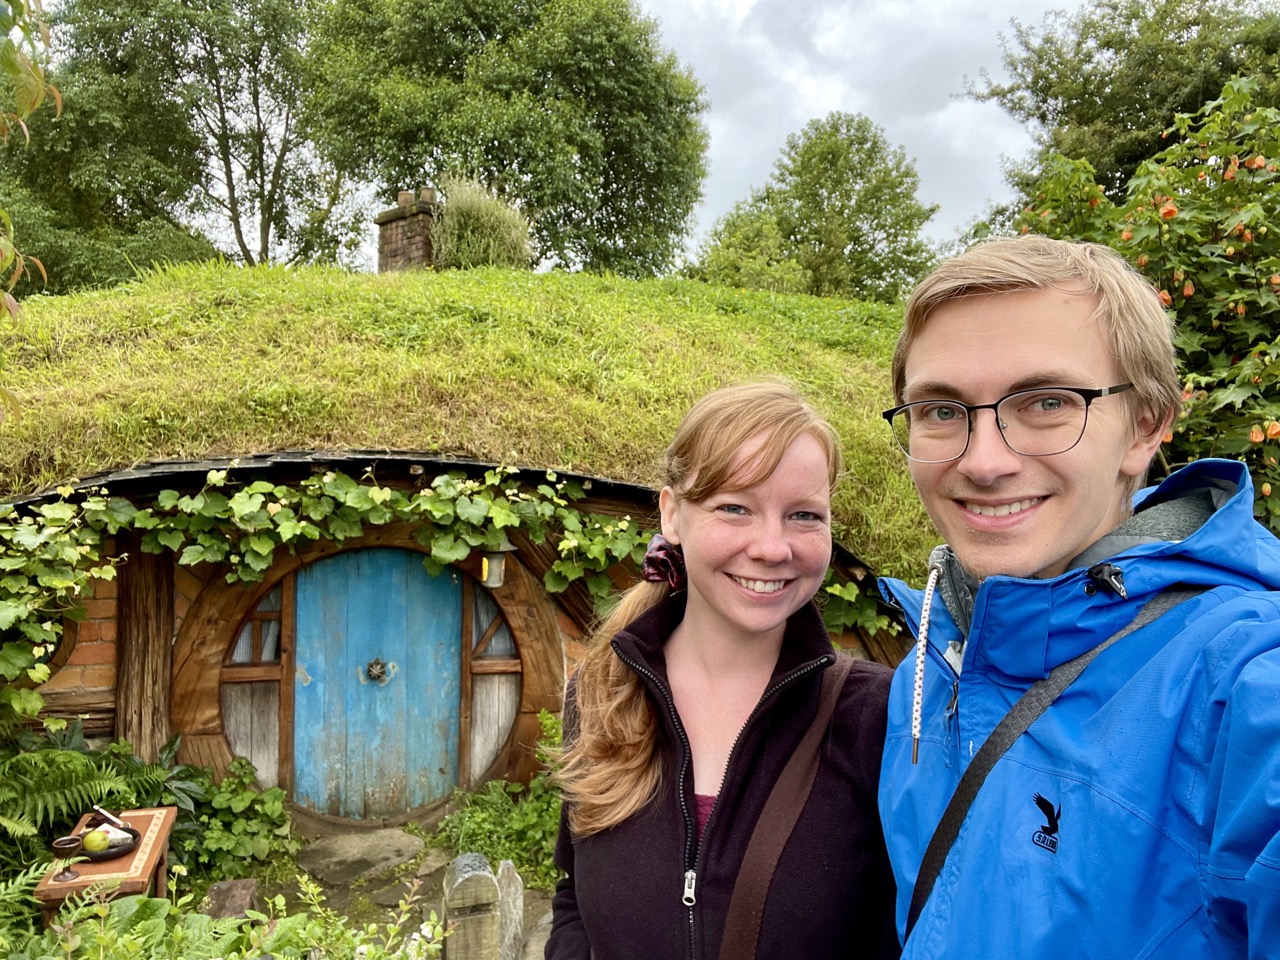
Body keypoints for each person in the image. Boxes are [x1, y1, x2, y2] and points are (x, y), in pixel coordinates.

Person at [877, 234, 1280, 957]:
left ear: (1146, 425)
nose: (983, 461)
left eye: (1046, 402)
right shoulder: (930, 669)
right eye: (940, 410)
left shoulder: (1241, 678)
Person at [546, 381, 899, 960]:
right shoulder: (600, 691)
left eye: (804, 515)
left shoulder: (879, 719)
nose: (772, 547)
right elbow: (573, 901)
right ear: (672, 514)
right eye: (734, 507)